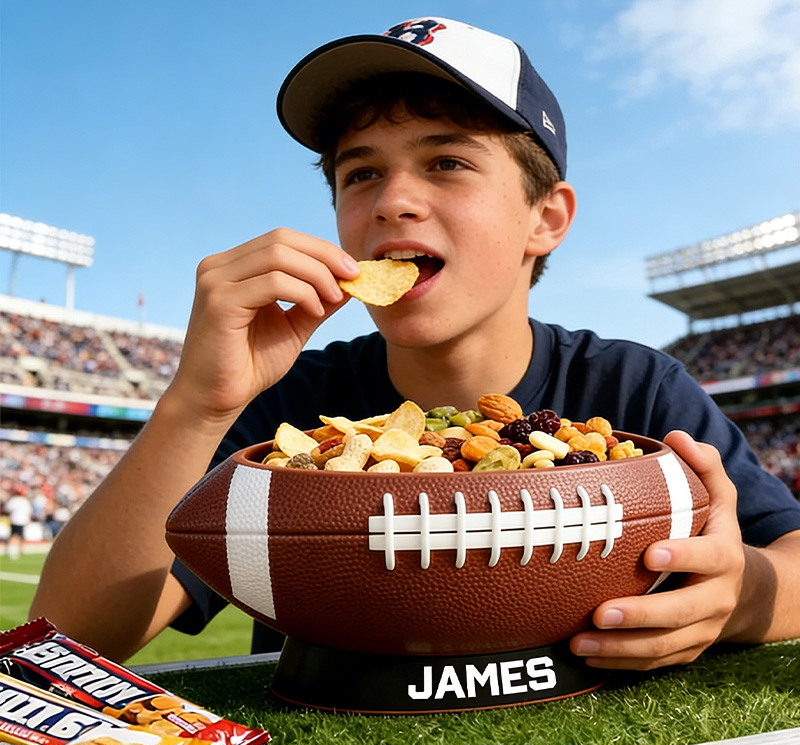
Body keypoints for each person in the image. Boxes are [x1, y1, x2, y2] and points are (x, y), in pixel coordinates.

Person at [30, 16, 800, 669]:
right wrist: (195, 403)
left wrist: (739, 597)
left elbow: (789, 560)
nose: (393, 201)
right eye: (360, 175)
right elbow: (64, 644)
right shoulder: (288, 407)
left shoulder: (634, 389)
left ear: (547, 218)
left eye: (447, 162)